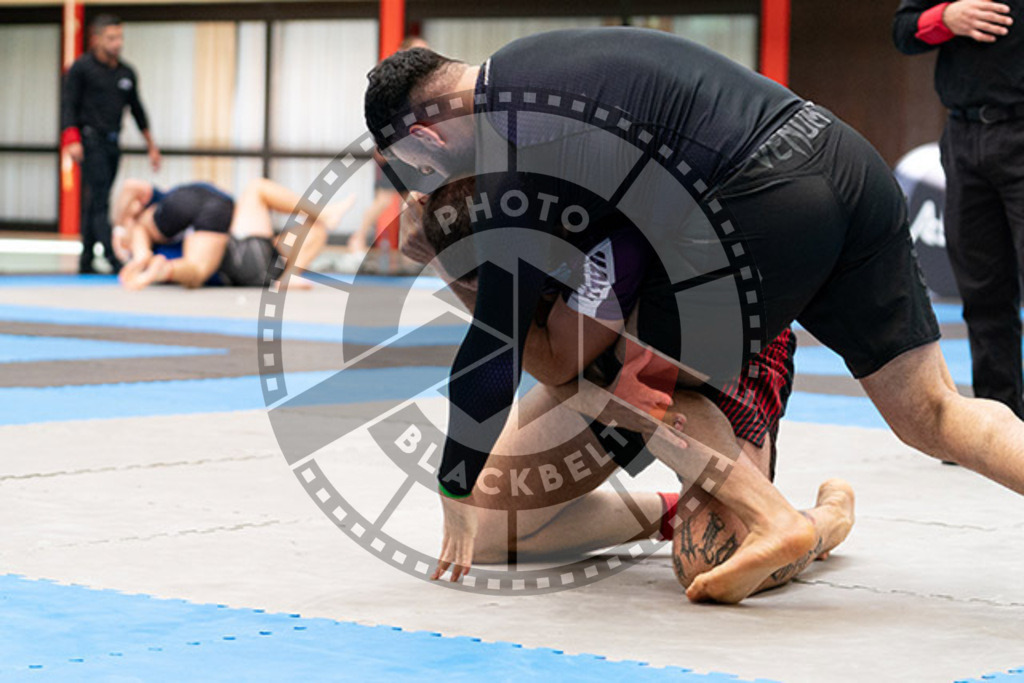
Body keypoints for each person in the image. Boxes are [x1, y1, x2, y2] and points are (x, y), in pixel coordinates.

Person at [364, 29, 1024, 603]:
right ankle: (733, 512)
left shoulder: (515, 151)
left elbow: (501, 348)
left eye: (419, 167)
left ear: (425, 133)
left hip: (757, 204)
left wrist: (454, 481)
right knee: (932, 413)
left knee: (632, 388)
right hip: (840, 157)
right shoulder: (540, 68)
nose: (426, 182)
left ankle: (777, 518)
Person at [399, 186, 856, 598]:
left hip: (720, 353)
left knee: (709, 562)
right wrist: (444, 249)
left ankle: (814, 519)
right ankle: (675, 514)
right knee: (484, 532)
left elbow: (553, 363)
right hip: (608, 367)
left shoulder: (608, 238)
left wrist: (450, 270)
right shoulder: (497, 198)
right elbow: (559, 365)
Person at [893, 1, 1024, 418]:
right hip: (964, 135)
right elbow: (904, 32)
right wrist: (946, 18)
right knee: (983, 293)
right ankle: (1000, 423)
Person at [113, 178, 353, 290]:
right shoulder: (145, 227)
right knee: (257, 188)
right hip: (252, 260)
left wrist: (139, 253)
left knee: (196, 269)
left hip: (245, 261)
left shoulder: (155, 232)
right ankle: (292, 272)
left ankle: (288, 275)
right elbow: (133, 194)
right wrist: (123, 227)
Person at [61, 14, 161, 275]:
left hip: (113, 143)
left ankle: (86, 260)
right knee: (101, 198)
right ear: (96, 39)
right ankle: (112, 256)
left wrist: (151, 145)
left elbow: (137, 110)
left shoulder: (126, 73)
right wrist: (71, 139)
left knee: (96, 198)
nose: (118, 43)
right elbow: (68, 104)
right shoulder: (81, 69)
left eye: (120, 37)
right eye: (111, 38)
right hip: (89, 140)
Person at [348, 36, 432, 254]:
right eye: (418, 51)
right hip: (397, 147)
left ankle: (421, 247)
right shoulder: (393, 80)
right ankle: (357, 238)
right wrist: (380, 142)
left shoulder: (426, 82)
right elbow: (378, 112)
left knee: (416, 201)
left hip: (418, 149)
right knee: (385, 199)